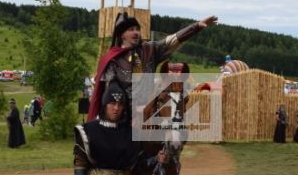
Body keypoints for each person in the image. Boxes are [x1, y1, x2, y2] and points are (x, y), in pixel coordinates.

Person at [88, 13, 217, 122]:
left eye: (137, 29)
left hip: (149, 113)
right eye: (131, 29)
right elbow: (111, 91)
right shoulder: (112, 59)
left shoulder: (149, 49)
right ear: (122, 35)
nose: (136, 32)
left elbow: (172, 40)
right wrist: (131, 109)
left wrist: (196, 27)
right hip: (123, 116)